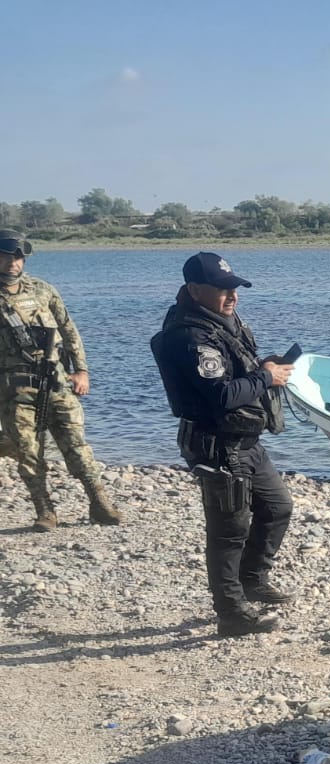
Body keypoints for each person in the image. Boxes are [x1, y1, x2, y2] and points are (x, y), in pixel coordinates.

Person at [151, 253, 295, 637]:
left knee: (278, 507)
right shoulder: (189, 335)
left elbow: (238, 374)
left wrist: (264, 368)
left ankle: (252, 579)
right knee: (228, 530)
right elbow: (220, 396)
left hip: (247, 440)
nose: (231, 296)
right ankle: (231, 613)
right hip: (217, 445)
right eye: (222, 289)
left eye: (234, 288)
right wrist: (266, 378)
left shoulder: (224, 323)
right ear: (195, 290)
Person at [0, 228, 122, 531]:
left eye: (19, 256)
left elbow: (69, 331)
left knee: (76, 444)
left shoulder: (42, 290)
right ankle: (45, 510)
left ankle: (100, 503)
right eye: (7, 255)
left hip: (55, 381)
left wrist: (81, 371)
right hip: (14, 390)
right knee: (29, 452)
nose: (14, 262)